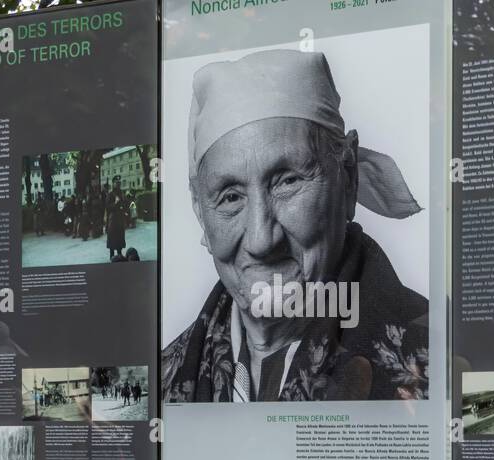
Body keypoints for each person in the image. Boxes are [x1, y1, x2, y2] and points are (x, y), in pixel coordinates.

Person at [161, 48, 428, 402]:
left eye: (287, 181)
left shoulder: (437, 358)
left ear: (347, 177)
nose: (261, 239)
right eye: (230, 197)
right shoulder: (164, 377)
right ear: (200, 212)